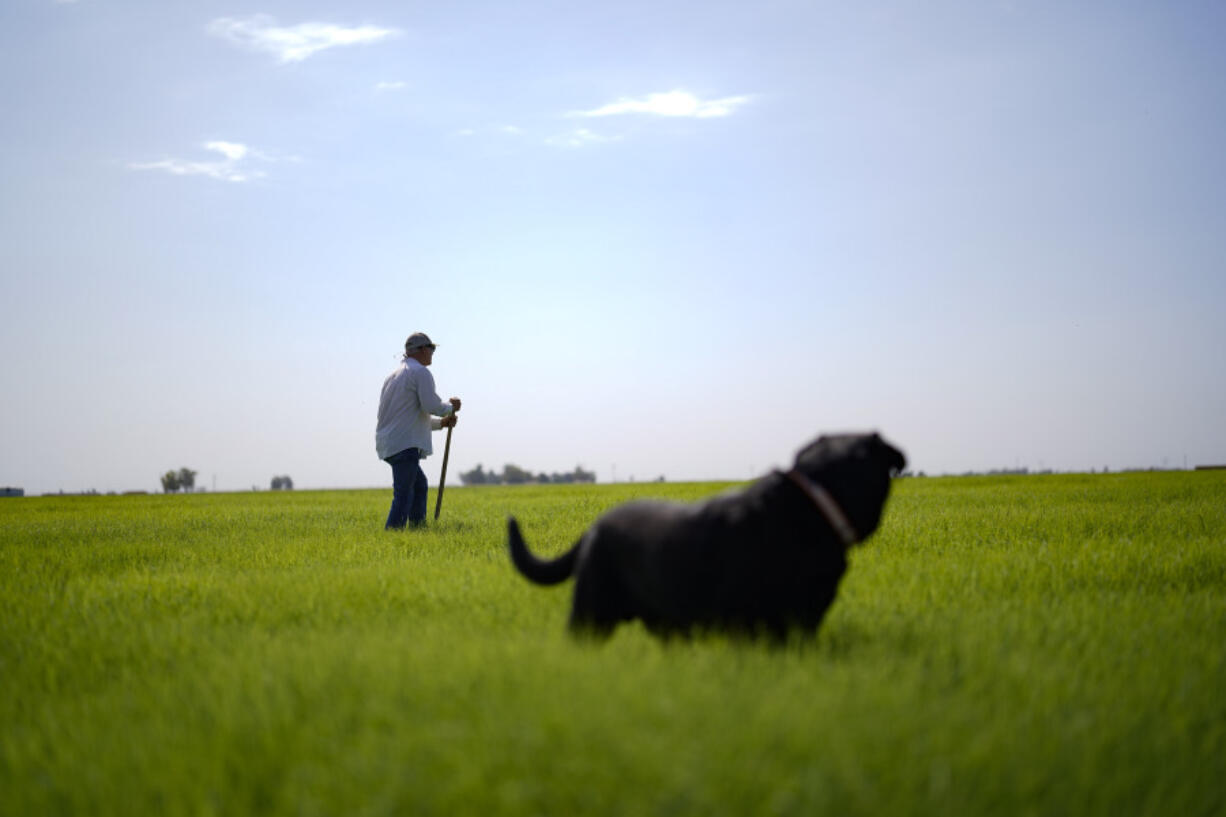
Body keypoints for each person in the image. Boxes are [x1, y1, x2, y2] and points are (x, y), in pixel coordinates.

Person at [375, 332, 461, 529]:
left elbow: (411, 418)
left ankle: (418, 530)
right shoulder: (420, 372)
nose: (432, 353)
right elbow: (431, 405)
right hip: (405, 444)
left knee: (419, 486)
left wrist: (442, 423)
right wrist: (451, 406)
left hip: (391, 441)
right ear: (422, 349)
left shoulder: (393, 377)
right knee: (404, 494)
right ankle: (394, 533)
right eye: (431, 349)